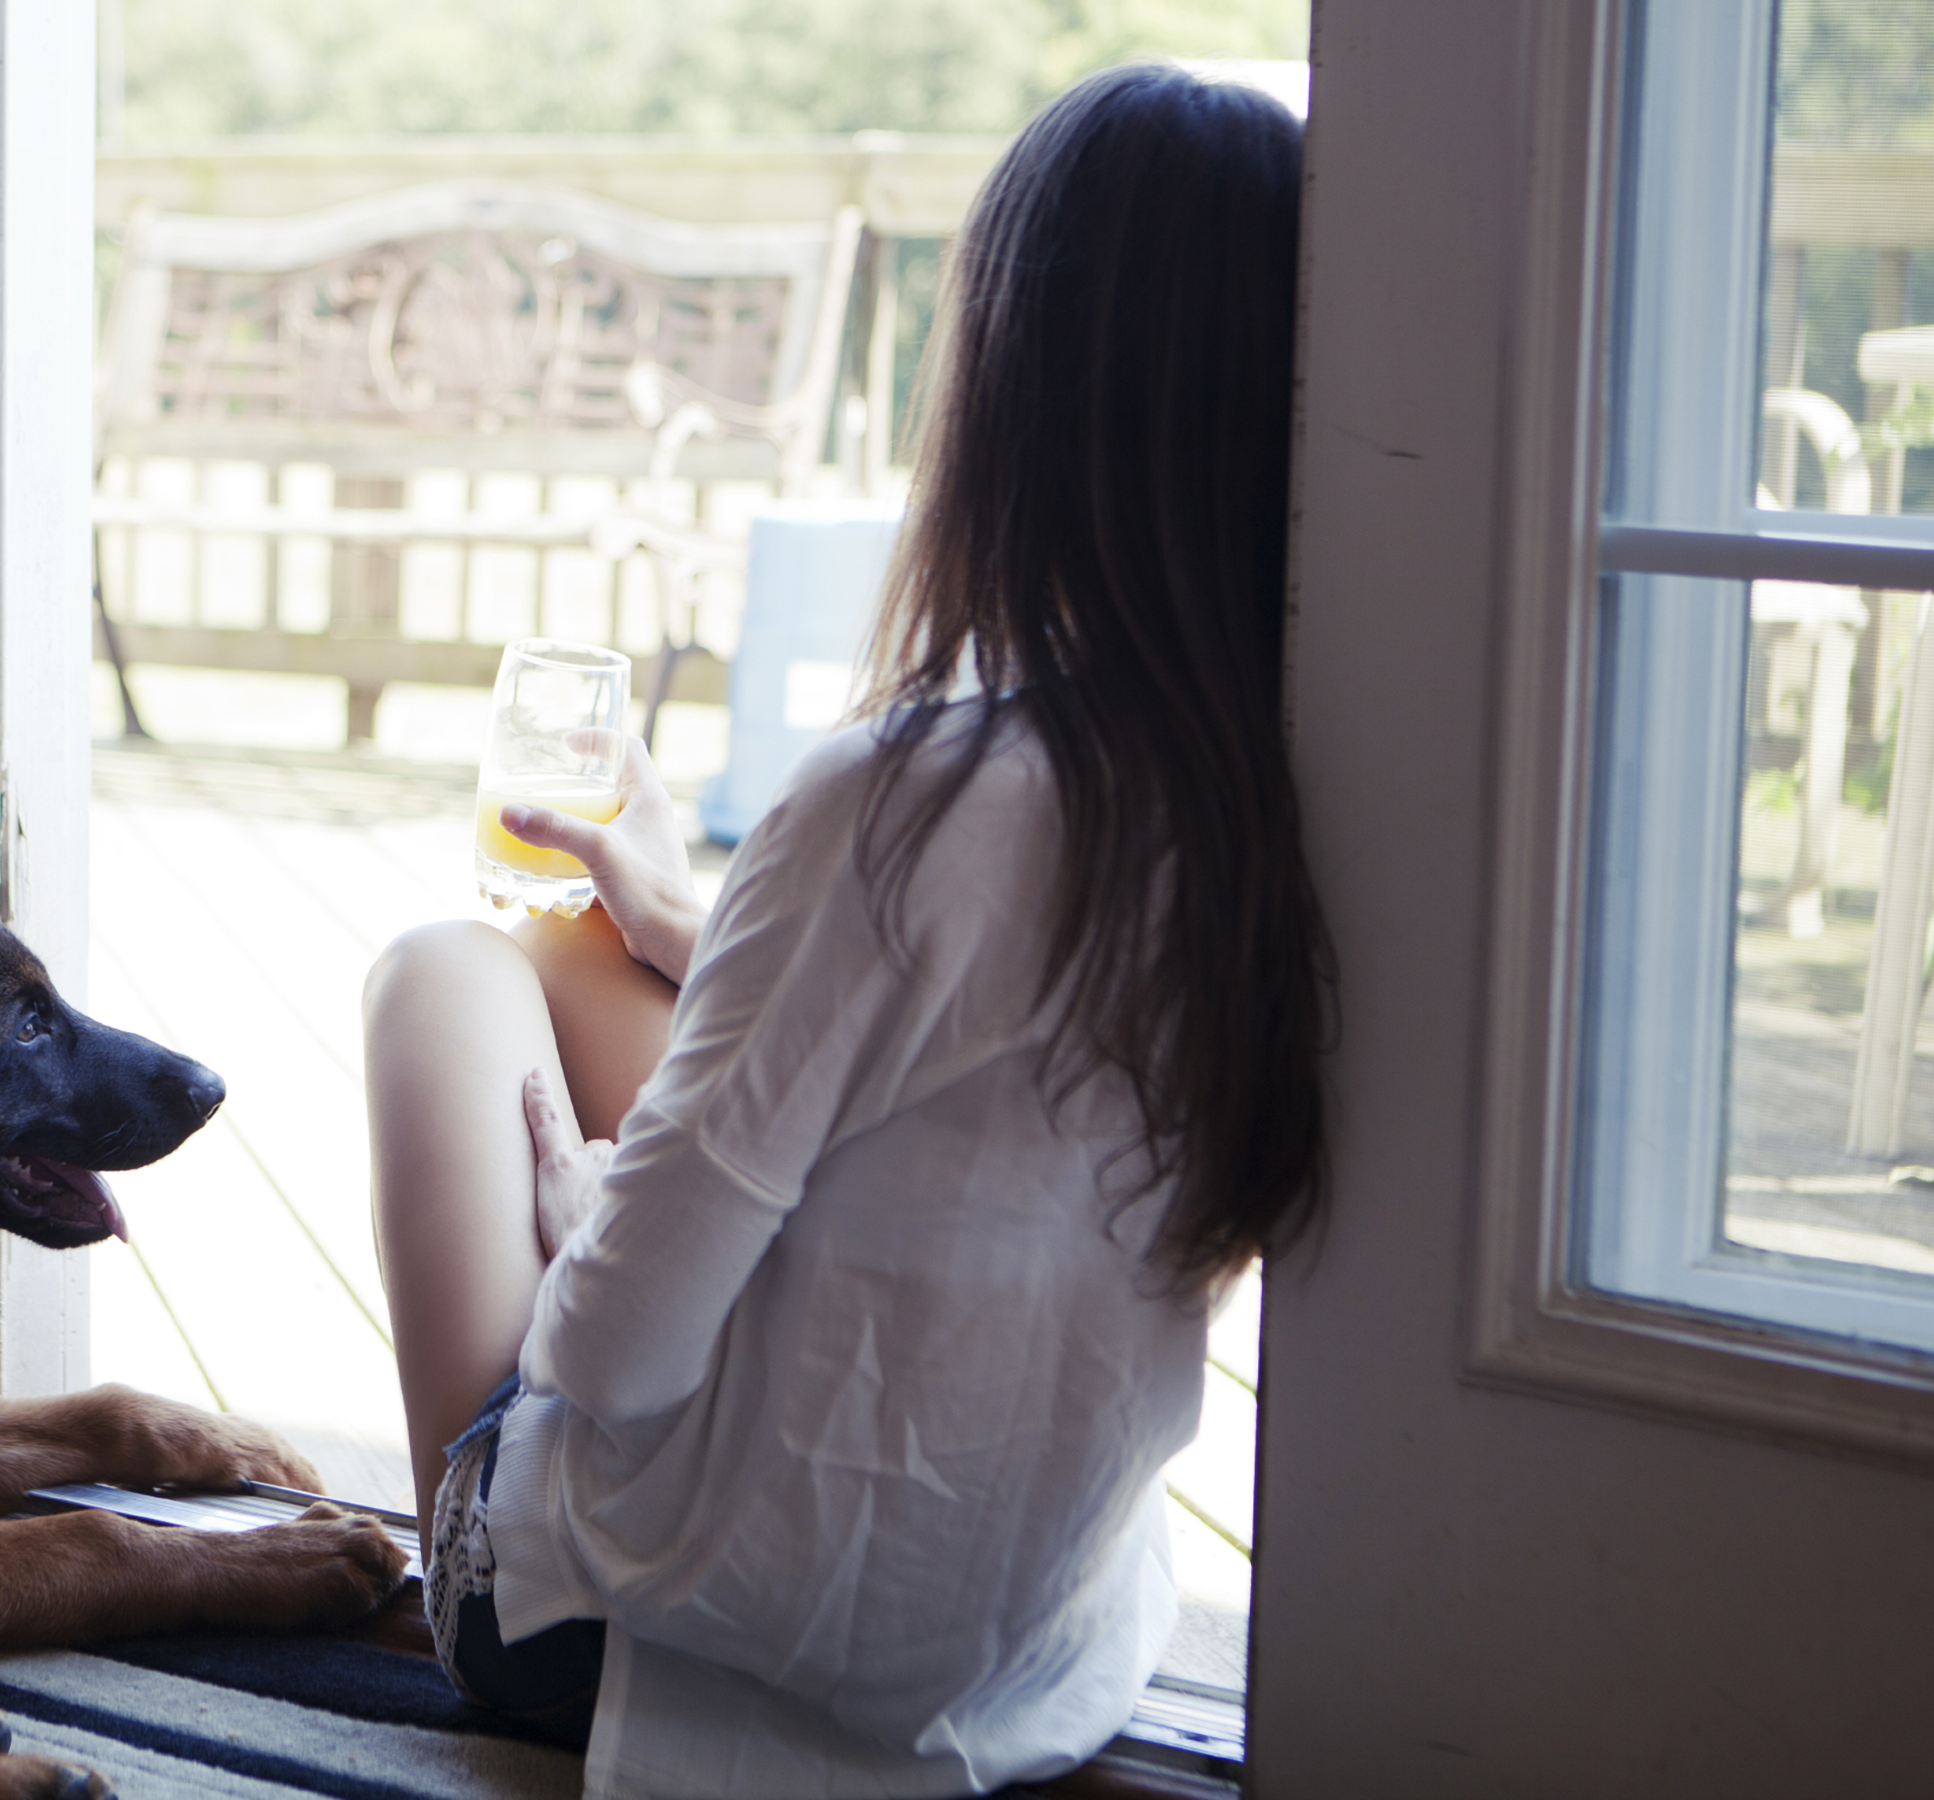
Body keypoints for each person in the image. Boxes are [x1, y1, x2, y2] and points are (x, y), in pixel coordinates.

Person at [360, 62, 1327, 1799]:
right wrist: (711, 934)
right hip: (1012, 1638)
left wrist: (586, 1215)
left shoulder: (893, 802)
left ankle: (472, 1555)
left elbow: (611, 1355)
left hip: (662, 1642)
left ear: (1005, 396)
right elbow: (975, 1108)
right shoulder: (1275, 807)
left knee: (446, 975)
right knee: (601, 946)